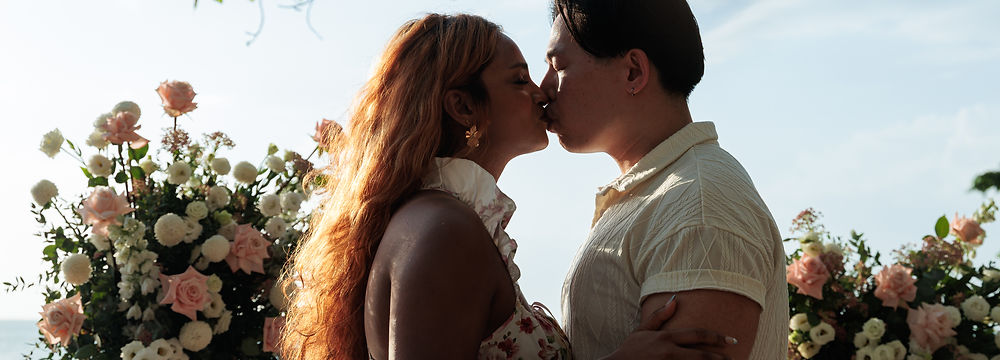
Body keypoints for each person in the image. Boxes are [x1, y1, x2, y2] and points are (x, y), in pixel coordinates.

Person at [279, 13, 737, 360]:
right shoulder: (441, 229)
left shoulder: (443, 221)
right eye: (519, 79)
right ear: (463, 107)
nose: (541, 92)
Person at [541, 0, 790, 359]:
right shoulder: (666, 193)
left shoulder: (698, 203)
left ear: (633, 72)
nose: (543, 88)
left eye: (558, 66)